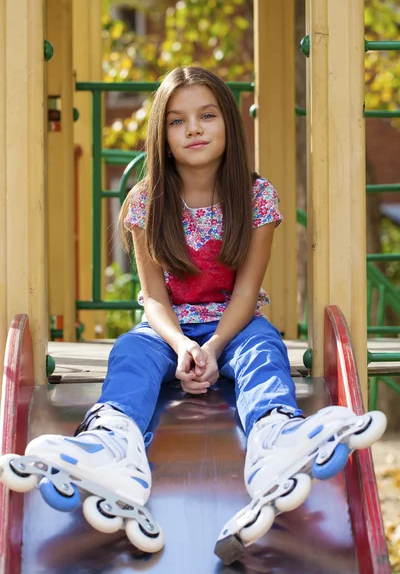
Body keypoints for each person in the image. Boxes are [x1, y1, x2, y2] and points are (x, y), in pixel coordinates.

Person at [0, 66, 387, 563]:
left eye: (206, 115)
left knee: (263, 348)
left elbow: (247, 292)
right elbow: (154, 298)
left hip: (234, 322)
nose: (194, 129)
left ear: (228, 121)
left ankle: (274, 436)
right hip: (168, 327)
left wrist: (214, 345)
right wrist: (183, 345)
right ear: (161, 134)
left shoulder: (256, 197)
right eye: (178, 121)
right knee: (131, 351)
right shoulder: (145, 202)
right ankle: (112, 444)